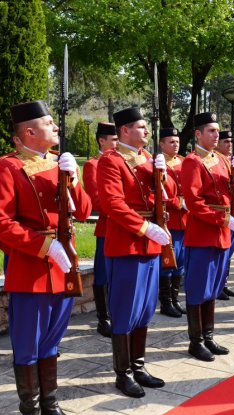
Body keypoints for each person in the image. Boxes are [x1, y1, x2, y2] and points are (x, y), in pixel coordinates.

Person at [0, 100, 91, 415]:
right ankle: (30, 413)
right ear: (29, 132)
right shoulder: (7, 167)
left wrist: (73, 179)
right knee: (28, 342)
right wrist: (46, 247)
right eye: (49, 123)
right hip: (31, 267)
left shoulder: (59, 163)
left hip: (63, 266)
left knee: (52, 341)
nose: (57, 128)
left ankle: (51, 406)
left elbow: (85, 211)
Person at [97, 107, 174, 398]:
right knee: (125, 310)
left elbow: (170, 192)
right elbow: (112, 204)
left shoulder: (147, 159)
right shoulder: (111, 161)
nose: (146, 132)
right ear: (125, 131)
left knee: (144, 309)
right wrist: (144, 227)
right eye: (141, 127)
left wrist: (162, 175)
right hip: (127, 242)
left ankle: (138, 365)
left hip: (150, 243)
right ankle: (123, 372)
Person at [181, 112, 234, 362]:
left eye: (217, 131)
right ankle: (195, 342)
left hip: (222, 232)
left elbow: (231, 192)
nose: (216, 135)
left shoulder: (222, 159)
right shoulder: (192, 161)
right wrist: (223, 219)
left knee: (214, 287)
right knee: (198, 288)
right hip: (203, 232)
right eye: (211, 131)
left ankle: (208, 336)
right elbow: (194, 202)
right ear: (198, 134)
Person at [82, 122, 117, 337]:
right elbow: (97, 199)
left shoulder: (121, 162)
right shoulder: (93, 165)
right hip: (108, 227)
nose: (116, 144)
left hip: (126, 228)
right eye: (113, 140)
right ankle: (103, 319)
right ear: (101, 141)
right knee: (103, 276)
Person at [159, 127, 188, 317]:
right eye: (171, 142)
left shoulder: (184, 162)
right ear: (162, 144)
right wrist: (179, 202)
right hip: (170, 220)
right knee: (169, 262)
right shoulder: (159, 164)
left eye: (177, 142)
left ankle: (176, 299)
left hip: (185, 221)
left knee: (181, 262)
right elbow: (159, 194)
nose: (175, 144)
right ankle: (166, 302)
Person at [215, 130, 234, 300]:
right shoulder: (217, 161)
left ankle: (223, 284)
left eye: (231, 141)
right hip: (221, 215)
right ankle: (218, 287)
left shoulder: (230, 161)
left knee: (229, 252)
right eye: (225, 141)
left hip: (232, 213)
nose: (229, 144)